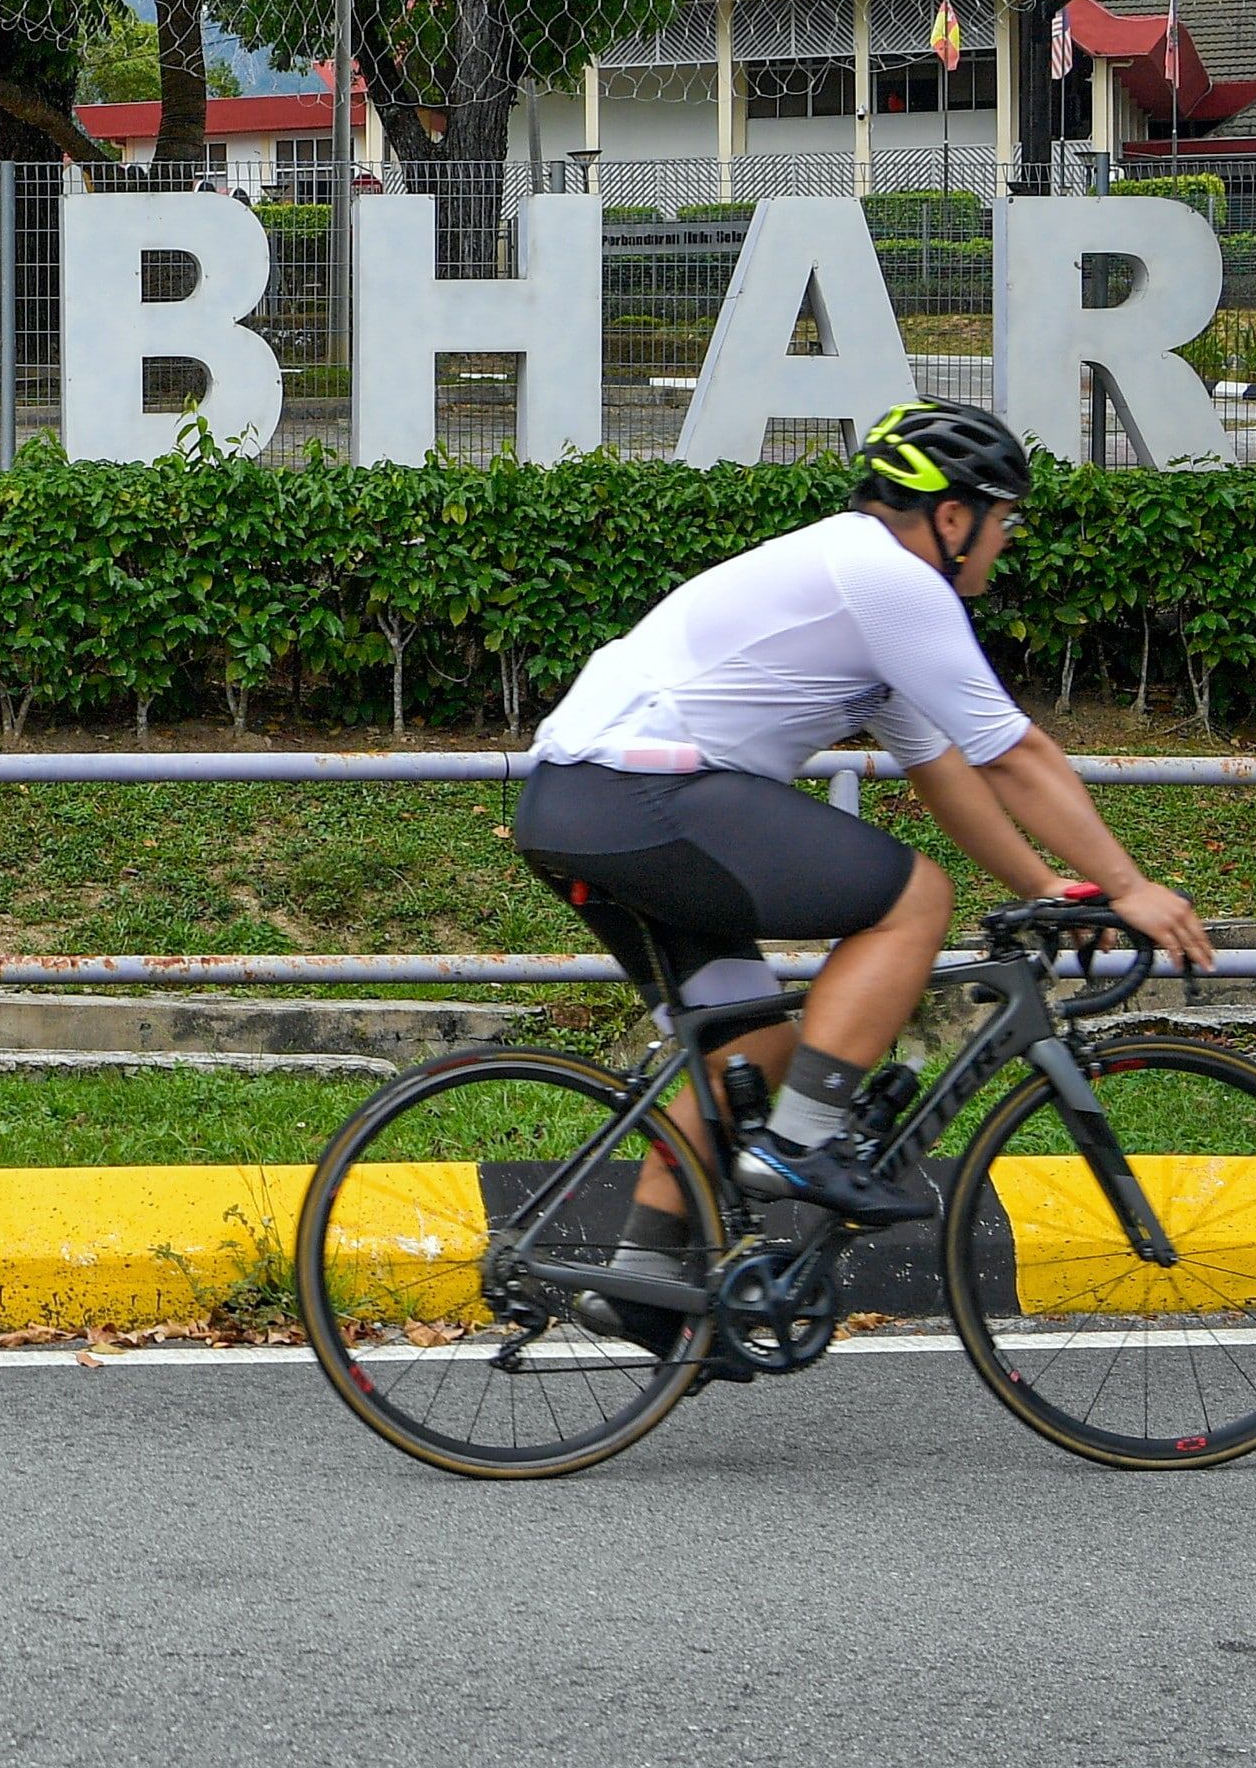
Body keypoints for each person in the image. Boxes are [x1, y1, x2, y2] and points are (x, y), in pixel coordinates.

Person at [515, 402, 1214, 1268]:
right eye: (1004, 519)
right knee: (914, 898)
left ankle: (641, 1272)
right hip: (640, 791)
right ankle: (800, 1142)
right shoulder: (887, 577)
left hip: (576, 803)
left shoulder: (856, 586)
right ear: (953, 516)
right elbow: (1015, 756)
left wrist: (1043, 887)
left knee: (749, 1046)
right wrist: (1130, 883)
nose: (1005, 539)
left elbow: (944, 772)